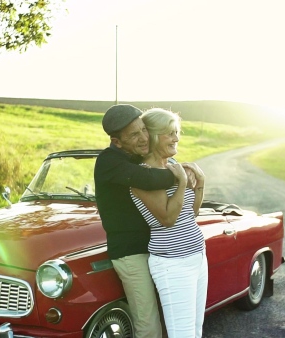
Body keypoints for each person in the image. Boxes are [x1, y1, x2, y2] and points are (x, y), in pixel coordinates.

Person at [94, 104, 181, 338]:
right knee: (147, 323)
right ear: (117, 142)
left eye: (144, 130)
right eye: (134, 135)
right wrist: (180, 173)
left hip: (151, 249)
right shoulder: (109, 161)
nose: (144, 138)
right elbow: (148, 180)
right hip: (130, 254)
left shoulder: (135, 157)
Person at [130, 108, 208, 338]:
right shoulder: (143, 175)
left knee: (195, 330)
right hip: (172, 263)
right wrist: (183, 182)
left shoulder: (172, 165)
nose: (176, 138)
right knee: (181, 334)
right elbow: (167, 219)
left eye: (177, 132)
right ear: (153, 136)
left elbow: (190, 214)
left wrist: (200, 182)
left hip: (197, 257)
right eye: (170, 133)